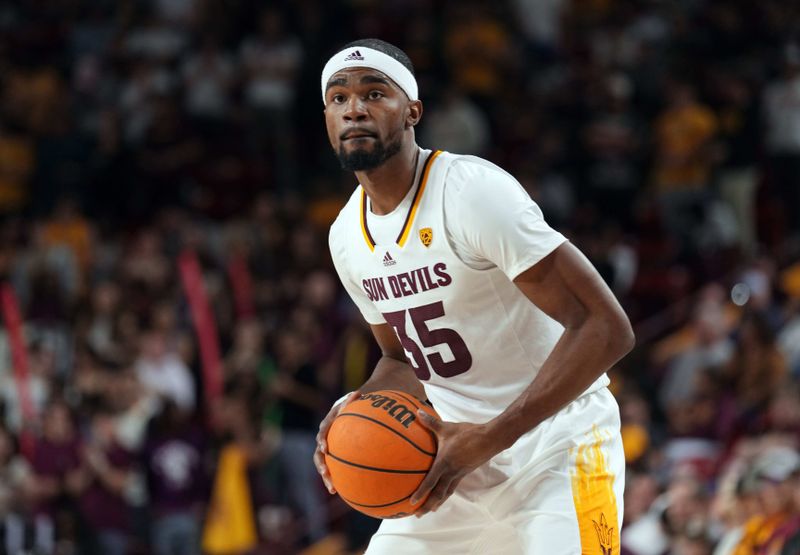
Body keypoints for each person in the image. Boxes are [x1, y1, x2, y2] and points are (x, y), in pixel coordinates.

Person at [313, 38, 634, 554]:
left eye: (375, 94)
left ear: (412, 110)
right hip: (451, 456)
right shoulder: (346, 236)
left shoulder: (469, 193)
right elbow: (401, 358)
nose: (354, 109)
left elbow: (606, 327)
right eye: (339, 99)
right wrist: (361, 404)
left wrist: (493, 435)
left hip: (557, 444)